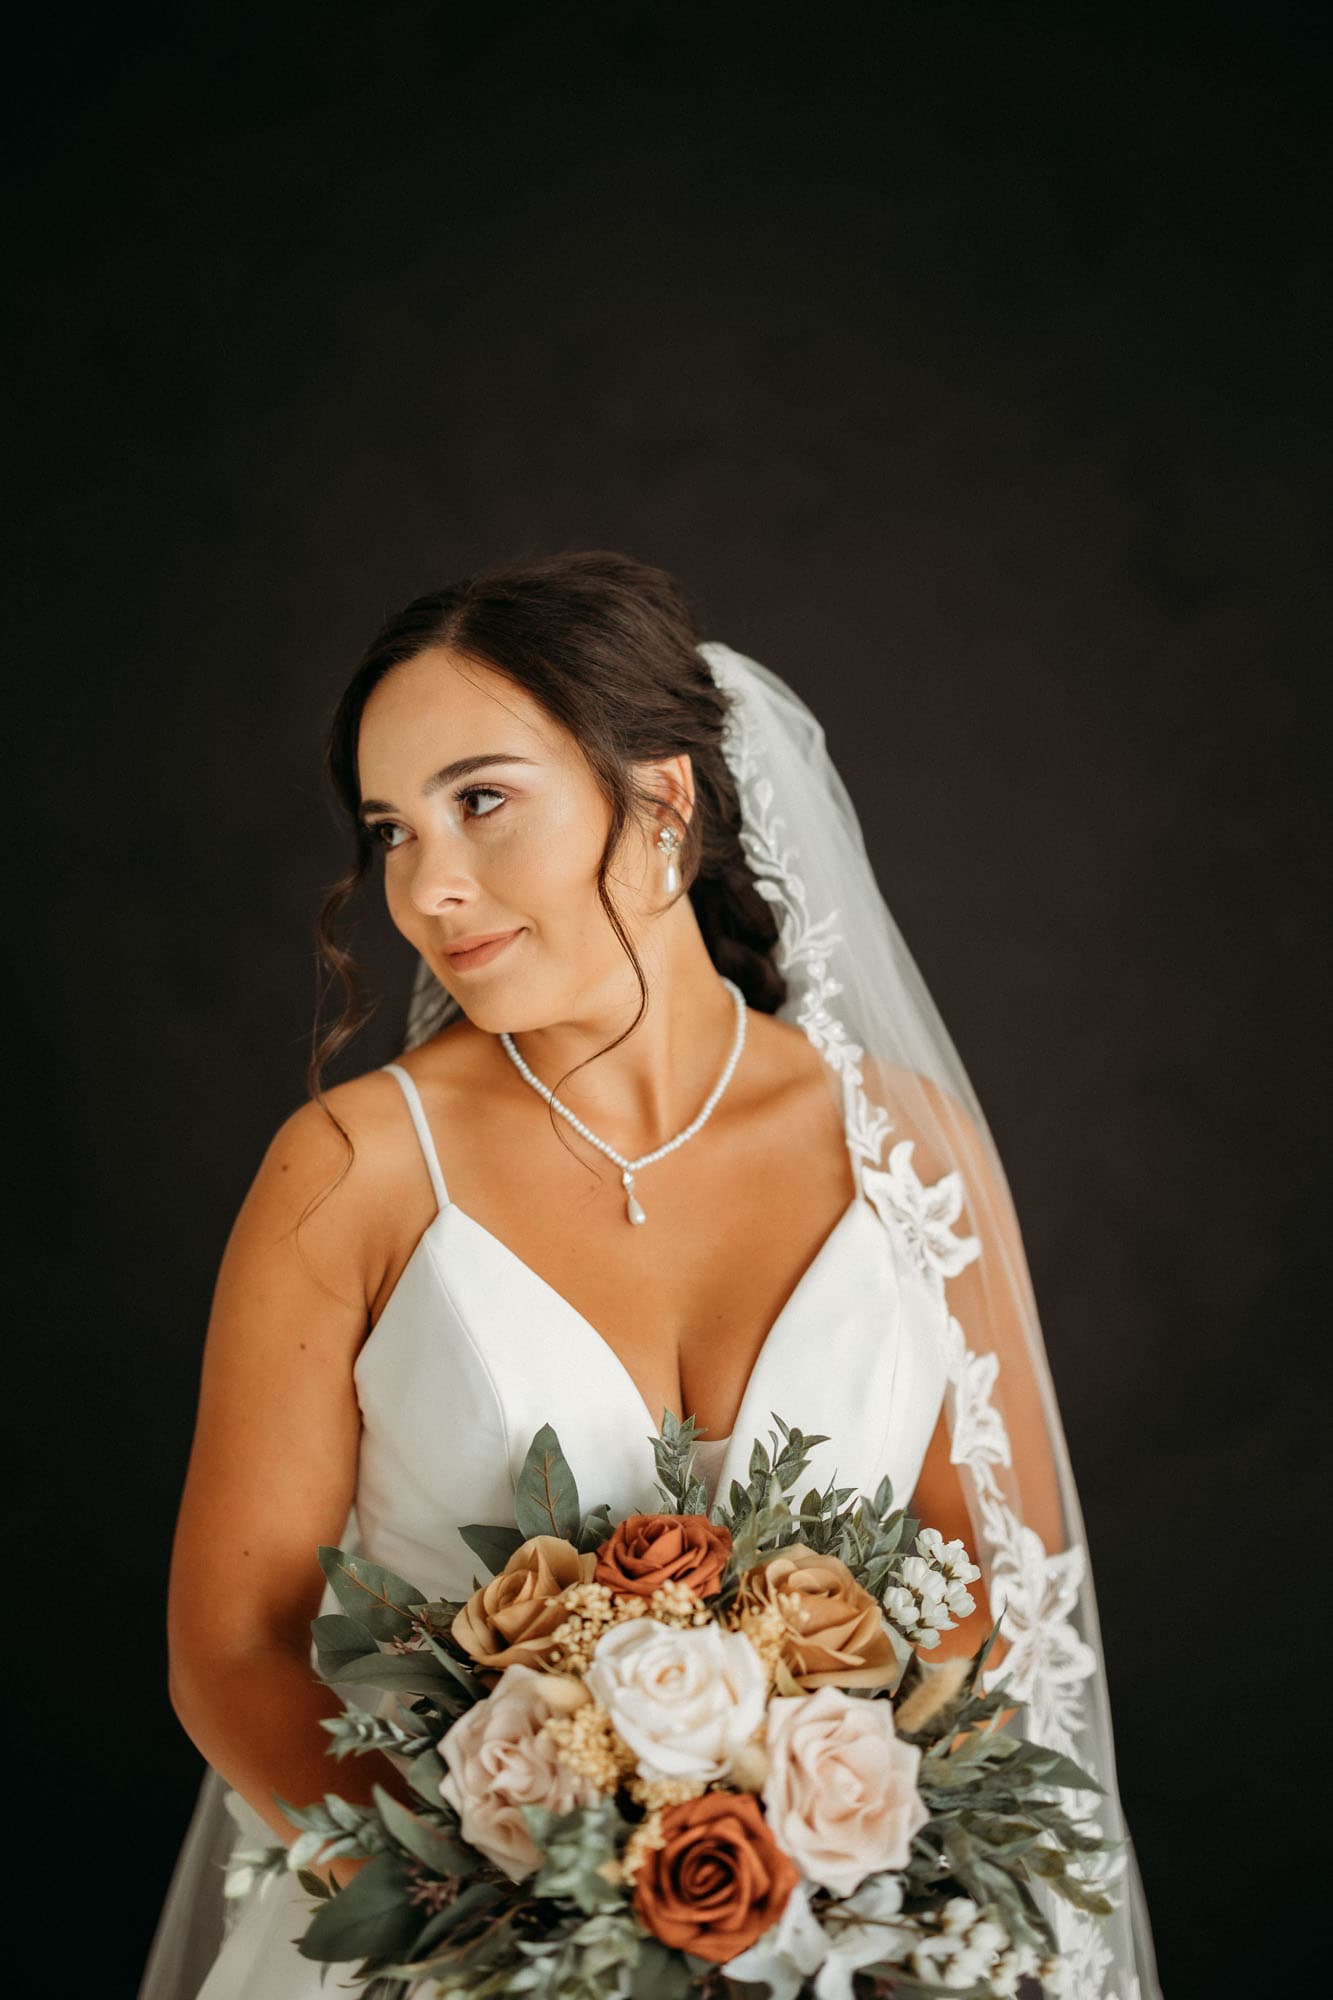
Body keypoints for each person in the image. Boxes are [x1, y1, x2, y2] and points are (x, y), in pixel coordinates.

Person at [137, 549, 1162, 1999]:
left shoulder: (903, 1146)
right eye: (390, 830)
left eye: (480, 800)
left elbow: (995, 1584)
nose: (429, 886)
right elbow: (233, 1647)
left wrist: (831, 1892)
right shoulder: (351, 1168)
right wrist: (508, 1927)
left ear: (663, 798)